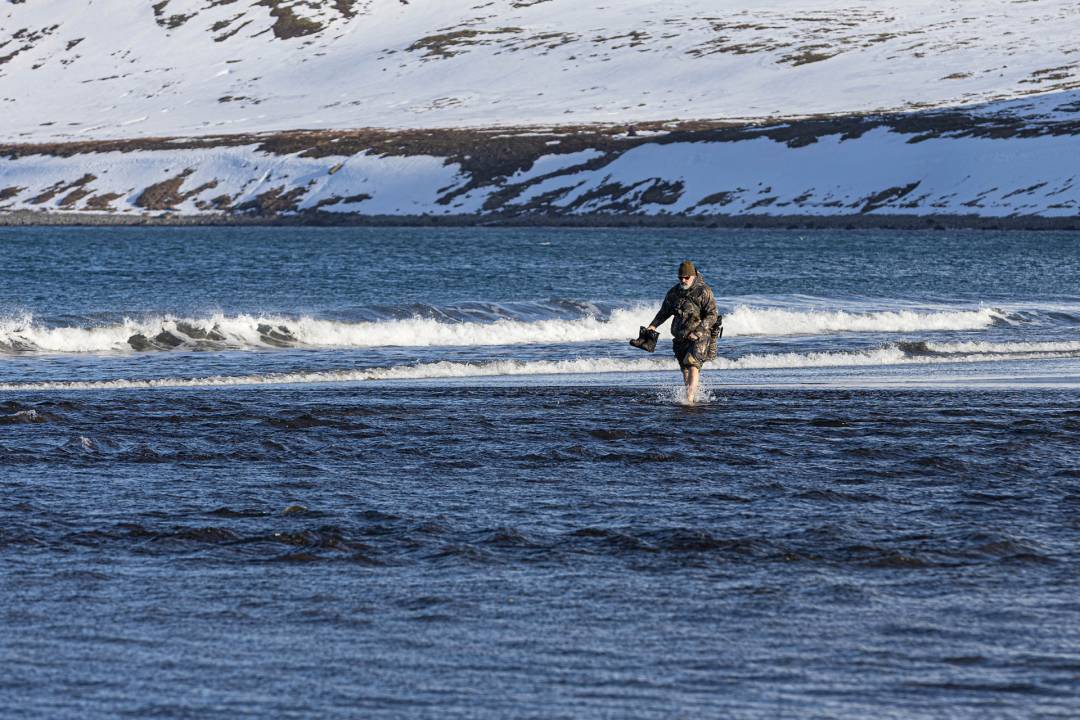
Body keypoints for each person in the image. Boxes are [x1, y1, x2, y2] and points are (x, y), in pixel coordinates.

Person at [645, 260, 719, 404]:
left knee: (692, 364)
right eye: (680, 278)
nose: (683, 280)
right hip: (680, 337)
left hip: (700, 336)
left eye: (686, 277)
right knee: (685, 368)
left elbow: (712, 315)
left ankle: (689, 400)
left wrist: (698, 332)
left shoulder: (704, 291)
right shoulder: (674, 292)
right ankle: (691, 395)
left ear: (693, 275)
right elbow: (664, 312)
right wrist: (653, 326)